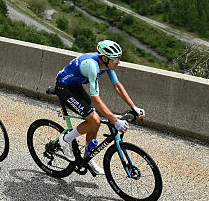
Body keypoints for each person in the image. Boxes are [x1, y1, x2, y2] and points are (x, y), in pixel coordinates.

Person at [53, 40, 145, 174]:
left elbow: (117, 86)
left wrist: (134, 107)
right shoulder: (92, 66)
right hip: (64, 87)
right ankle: (65, 140)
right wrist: (115, 120)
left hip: (75, 86)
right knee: (94, 119)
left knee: (95, 122)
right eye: (116, 59)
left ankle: (87, 156)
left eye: (119, 58)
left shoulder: (106, 65)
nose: (118, 62)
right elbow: (95, 99)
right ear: (104, 58)